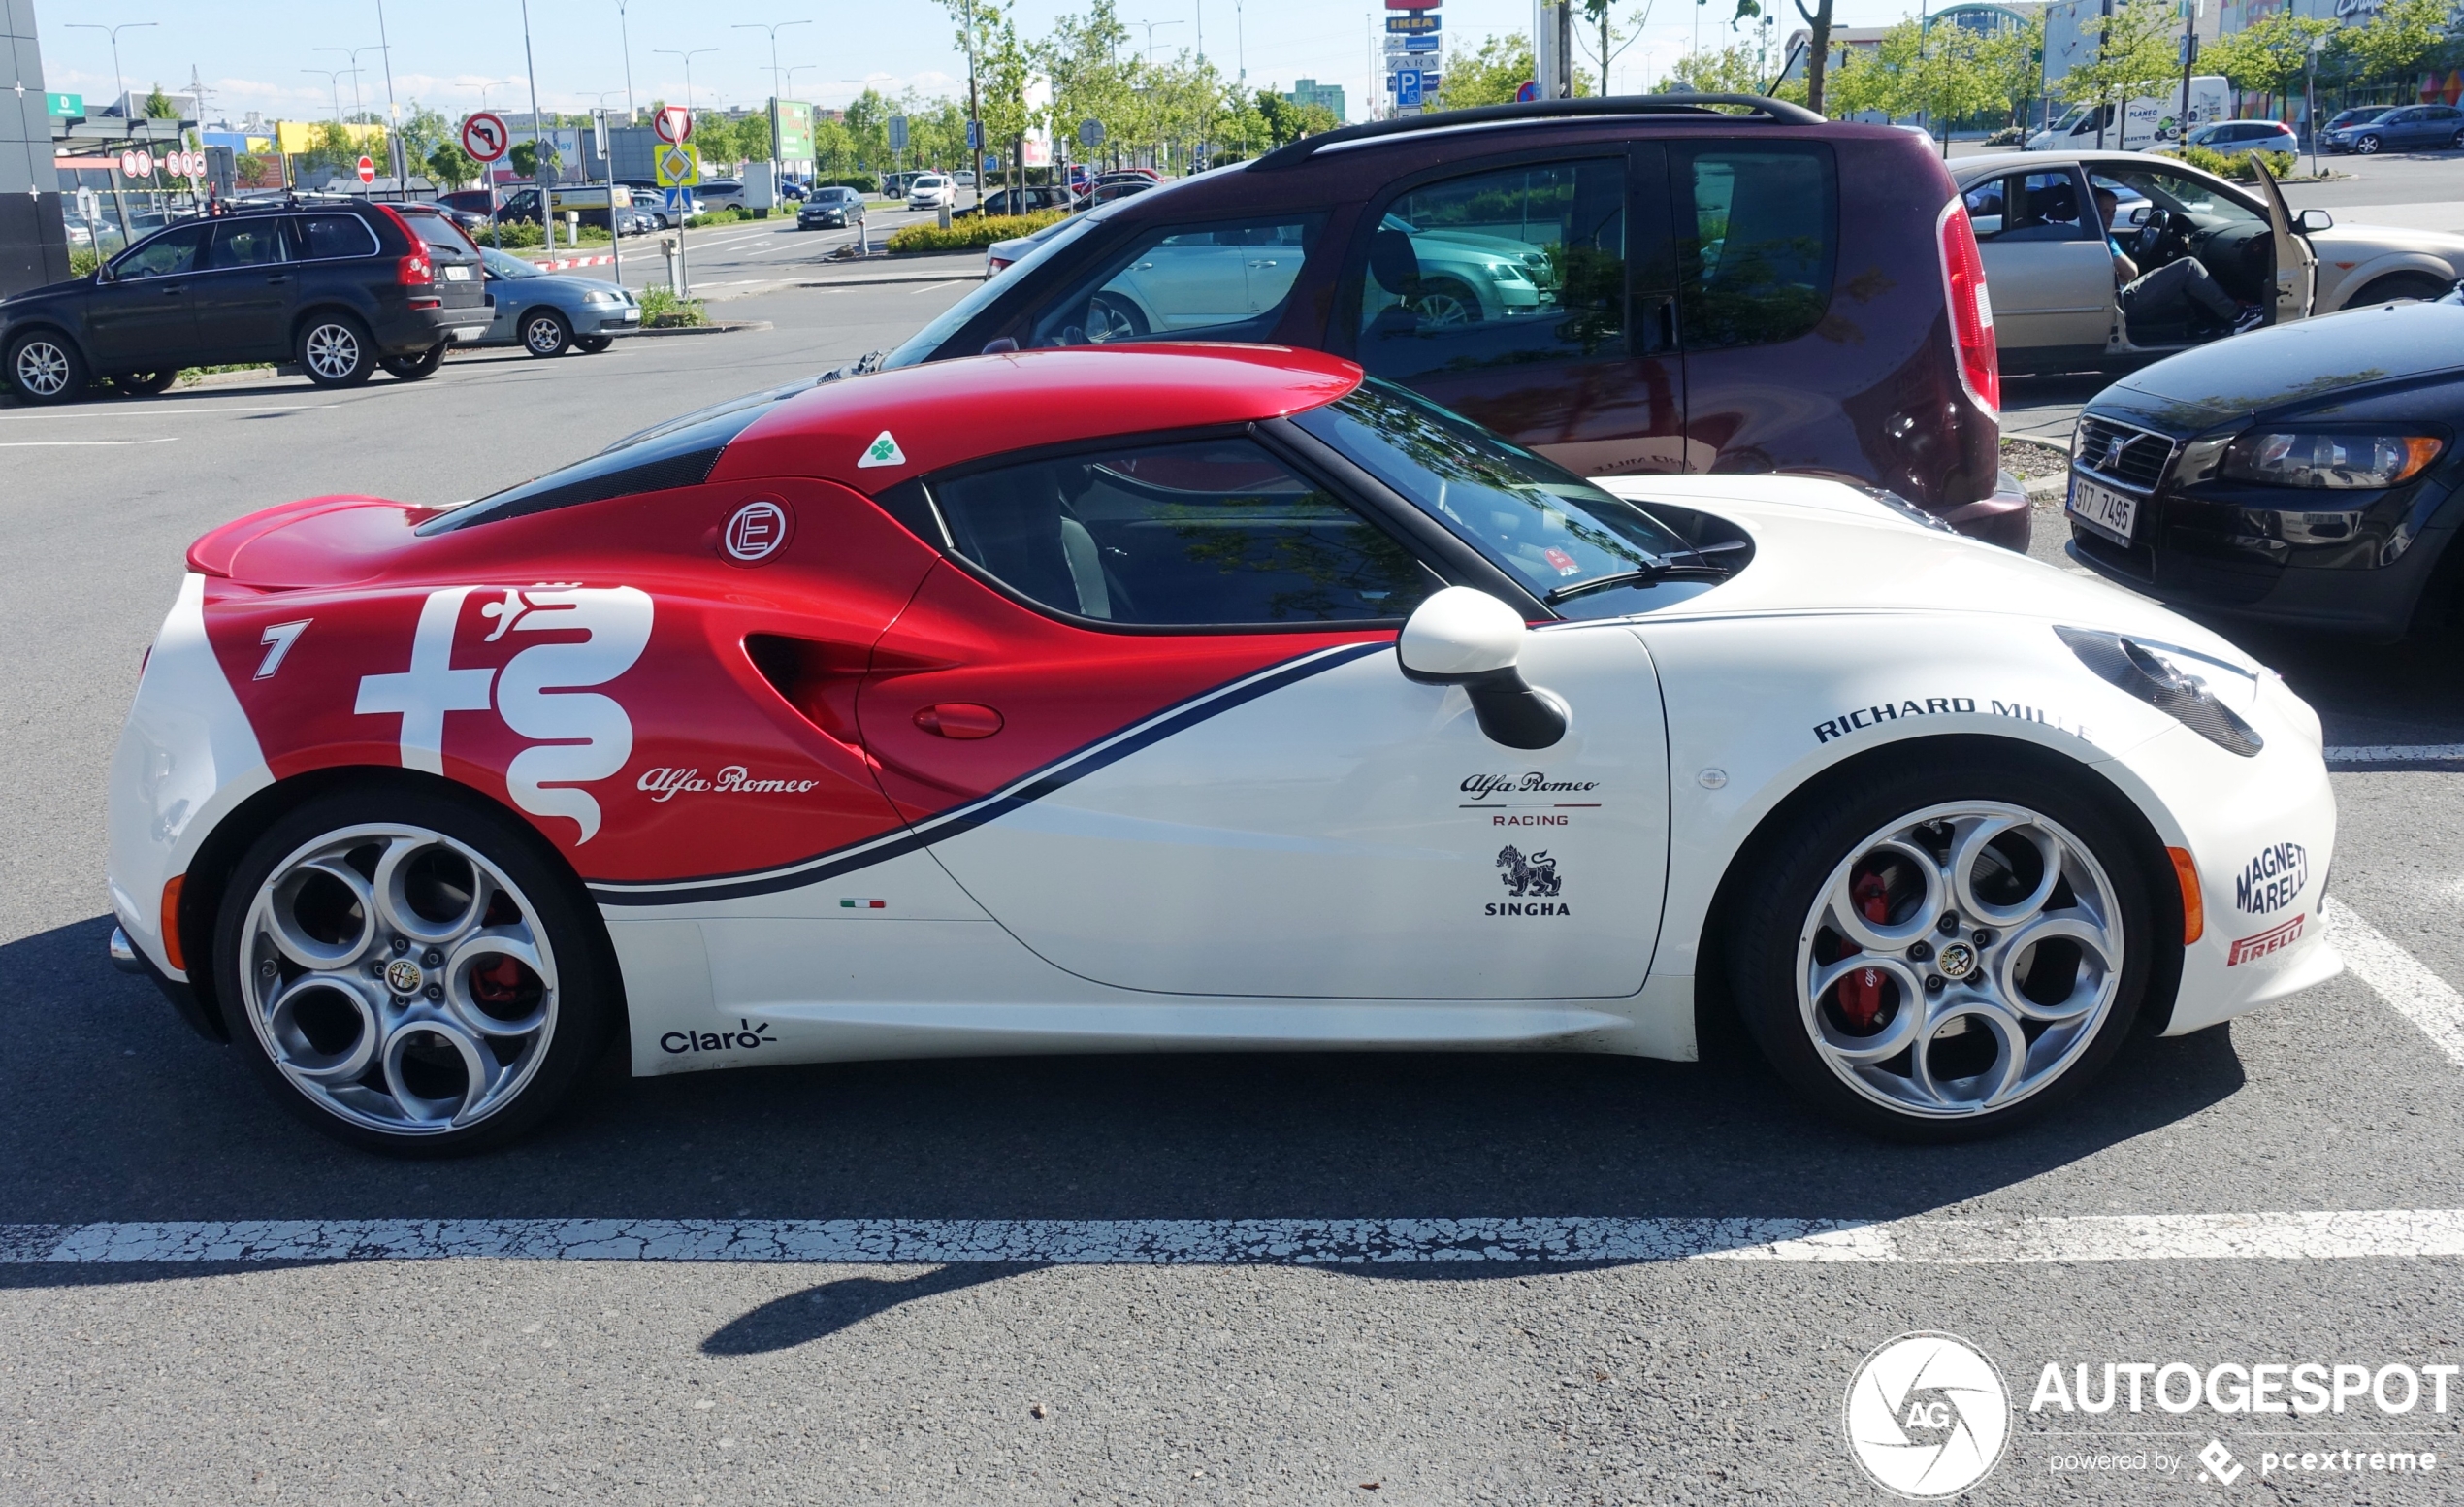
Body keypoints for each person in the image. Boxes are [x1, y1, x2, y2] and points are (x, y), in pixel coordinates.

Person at [2092, 187, 2261, 338]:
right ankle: (2239, 316)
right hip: (2123, 302)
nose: (2110, 217)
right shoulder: (2102, 237)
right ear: (2093, 211)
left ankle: (2200, 325)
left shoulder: (2092, 234)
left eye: (2113, 212)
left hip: (2117, 296)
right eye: (2104, 211)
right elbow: (2131, 273)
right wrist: (2123, 275)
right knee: (2188, 267)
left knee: (2163, 272)